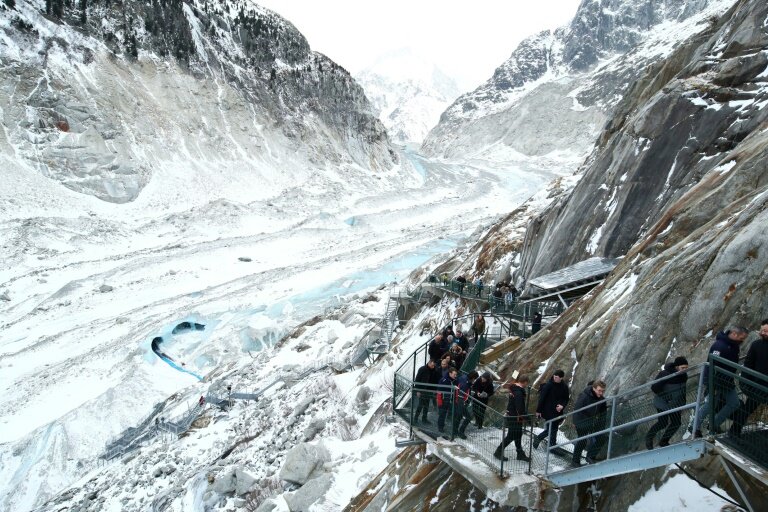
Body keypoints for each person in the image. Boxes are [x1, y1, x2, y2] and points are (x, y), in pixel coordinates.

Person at [692, 327, 749, 437]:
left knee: (734, 403)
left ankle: (714, 424)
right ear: (734, 334)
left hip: (727, 381)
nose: (743, 341)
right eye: (742, 338)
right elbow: (711, 365)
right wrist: (711, 384)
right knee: (710, 404)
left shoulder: (734, 345)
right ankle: (695, 427)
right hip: (716, 381)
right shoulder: (719, 345)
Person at [730, 320, 768, 436]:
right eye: (762, 330)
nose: (763, 333)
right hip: (758, 386)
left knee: (747, 408)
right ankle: (734, 431)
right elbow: (748, 364)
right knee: (747, 409)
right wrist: (745, 383)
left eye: (766, 331)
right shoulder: (756, 345)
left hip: (760, 385)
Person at [645, 356, 689, 449]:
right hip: (662, 403)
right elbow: (654, 387)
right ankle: (649, 437)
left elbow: (683, 391)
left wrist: (682, 404)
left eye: (686, 368)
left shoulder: (684, 376)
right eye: (682, 368)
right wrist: (667, 397)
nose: (684, 370)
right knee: (663, 422)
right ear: (677, 367)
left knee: (676, 423)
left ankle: (664, 441)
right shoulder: (665, 374)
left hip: (675, 403)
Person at [494, 375, 531, 462]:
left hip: (513, 416)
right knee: (511, 436)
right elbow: (520, 409)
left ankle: (520, 453)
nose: (527, 385)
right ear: (525, 382)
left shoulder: (515, 389)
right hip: (515, 418)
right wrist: (528, 419)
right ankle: (498, 452)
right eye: (527, 383)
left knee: (518, 434)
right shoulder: (518, 393)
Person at [572, 380, 608, 466]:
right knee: (582, 440)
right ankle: (575, 461)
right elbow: (577, 410)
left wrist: (601, 426)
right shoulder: (584, 396)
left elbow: (603, 413)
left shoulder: (602, 399)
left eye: (603, 391)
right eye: (599, 390)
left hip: (593, 422)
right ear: (594, 388)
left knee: (602, 438)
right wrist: (575, 423)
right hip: (582, 421)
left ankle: (590, 456)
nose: (601, 393)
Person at [533, 370, 570, 449]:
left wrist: (562, 406)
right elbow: (542, 398)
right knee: (552, 429)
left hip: (558, 411)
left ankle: (552, 444)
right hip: (548, 411)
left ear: (561, 378)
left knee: (554, 428)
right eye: (554, 376)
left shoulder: (564, 386)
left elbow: (566, 398)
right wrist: (538, 410)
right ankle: (541, 439)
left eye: (556, 377)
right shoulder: (549, 385)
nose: (554, 378)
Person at [454, 371, 478, 439]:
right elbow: (461, 394)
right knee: (468, 417)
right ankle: (460, 432)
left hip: (459, 401)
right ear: (473, 378)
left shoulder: (464, 377)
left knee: (458, 417)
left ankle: (455, 431)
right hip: (461, 402)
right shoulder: (466, 383)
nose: (475, 380)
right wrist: (463, 403)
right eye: (475, 378)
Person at [437, 367, 458, 433]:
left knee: (452, 414)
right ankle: (440, 427)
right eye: (454, 374)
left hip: (451, 400)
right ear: (450, 373)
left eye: (456, 374)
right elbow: (439, 391)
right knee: (442, 415)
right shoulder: (443, 380)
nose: (455, 376)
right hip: (443, 400)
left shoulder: (455, 380)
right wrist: (440, 402)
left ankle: (453, 428)